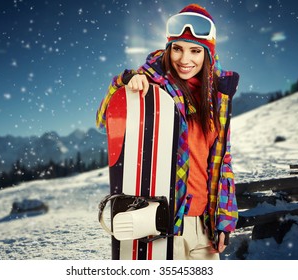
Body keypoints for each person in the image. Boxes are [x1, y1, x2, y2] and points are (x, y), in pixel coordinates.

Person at [96, 3, 239, 260]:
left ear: (208, 54)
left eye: (195, 51)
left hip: (204, 227)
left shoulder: (219, 96)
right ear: (168, 48)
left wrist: (223, 221)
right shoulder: (152, 84)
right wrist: (124, 84)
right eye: (178, 49)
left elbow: (221, 162)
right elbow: (105, 117)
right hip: (162, 224)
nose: (185, 60)